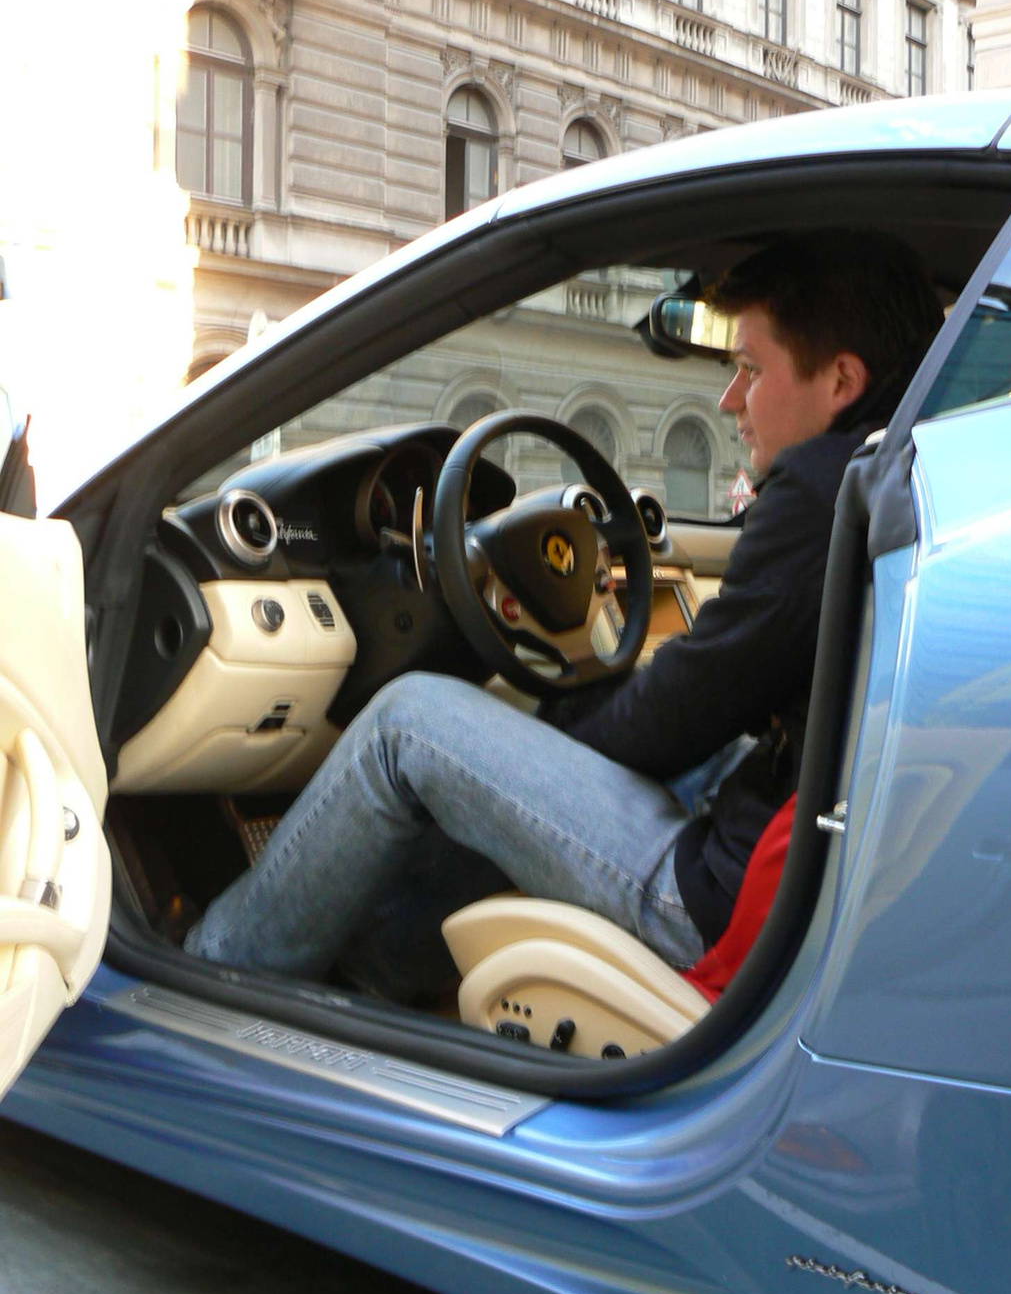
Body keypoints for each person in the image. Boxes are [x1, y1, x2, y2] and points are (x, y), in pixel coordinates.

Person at [185, 230, 942, 1001]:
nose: (729, 401)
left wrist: (550, 741)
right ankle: (390, 958)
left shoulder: (821, 492)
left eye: (749, 370)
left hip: (710, 899)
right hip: (791, 843)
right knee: (577, 712)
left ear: (842, 379)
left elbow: (678, 716)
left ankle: (217, 969)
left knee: (405, 725)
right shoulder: (900, 467)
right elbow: (715, 687)